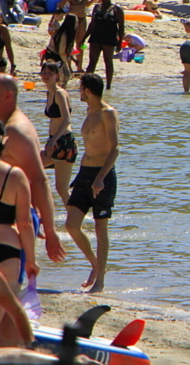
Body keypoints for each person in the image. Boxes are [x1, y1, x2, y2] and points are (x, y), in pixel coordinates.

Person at [0, 75, 65, 265]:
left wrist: (51, 232)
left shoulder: (16, 131)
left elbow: (39, 180)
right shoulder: (5, 125)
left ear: (8, 96)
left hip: (14, 220)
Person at [65, 73, 118, 292]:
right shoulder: (89, 111)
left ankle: (101, 281)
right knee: (71, 224)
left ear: (87, 90)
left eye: (80, 88)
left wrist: (100, 178)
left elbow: (115, 149)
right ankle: (96, 266)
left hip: (102, 176)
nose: (79, 92)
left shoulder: (108, 113)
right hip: (84, 173)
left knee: (100, 228)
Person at [0, 116, 36, 342]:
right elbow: (25, 223)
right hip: (8, 248)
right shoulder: (15, 175)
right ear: (3, 142)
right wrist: (31, 260)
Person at [39, 61, 77, 203]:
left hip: (64, 142)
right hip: (54, 140)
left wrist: (53, 141)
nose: (46, 75)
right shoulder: (49, 93)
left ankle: (76, 216)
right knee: (29, 167)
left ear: (57, 75)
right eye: (44, 72)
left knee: (62, 188)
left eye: (50, 73)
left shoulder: (60, 93)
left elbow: (67, 119)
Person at [85, 0, 124, 90]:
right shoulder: (97, 7)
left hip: (109, 39)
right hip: (95, 37)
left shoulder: (116, 9)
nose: (103, 0)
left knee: (108, 62)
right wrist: (84, 37)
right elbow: (92, 24)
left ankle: (108, 86)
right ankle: (86, 84)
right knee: (92, 62)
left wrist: (119, 42)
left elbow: (121, 27)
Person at [58, 0, 90, 72]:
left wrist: (93, 1)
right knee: (70, 43)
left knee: (81, 43)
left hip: (82, 19)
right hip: (72, 20)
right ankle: (69, 67)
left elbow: (86, 5)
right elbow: (61, 5)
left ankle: (79, 66)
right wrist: (58, 15)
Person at [44, 14, 77, 87]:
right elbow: (61, 51)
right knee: (61, 76)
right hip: (53, 55)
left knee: (66, 75)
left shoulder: (66, 32)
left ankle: (62, 91)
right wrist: (65, 61)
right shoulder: (63, 34)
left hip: (59, 55)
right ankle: (55, 93)